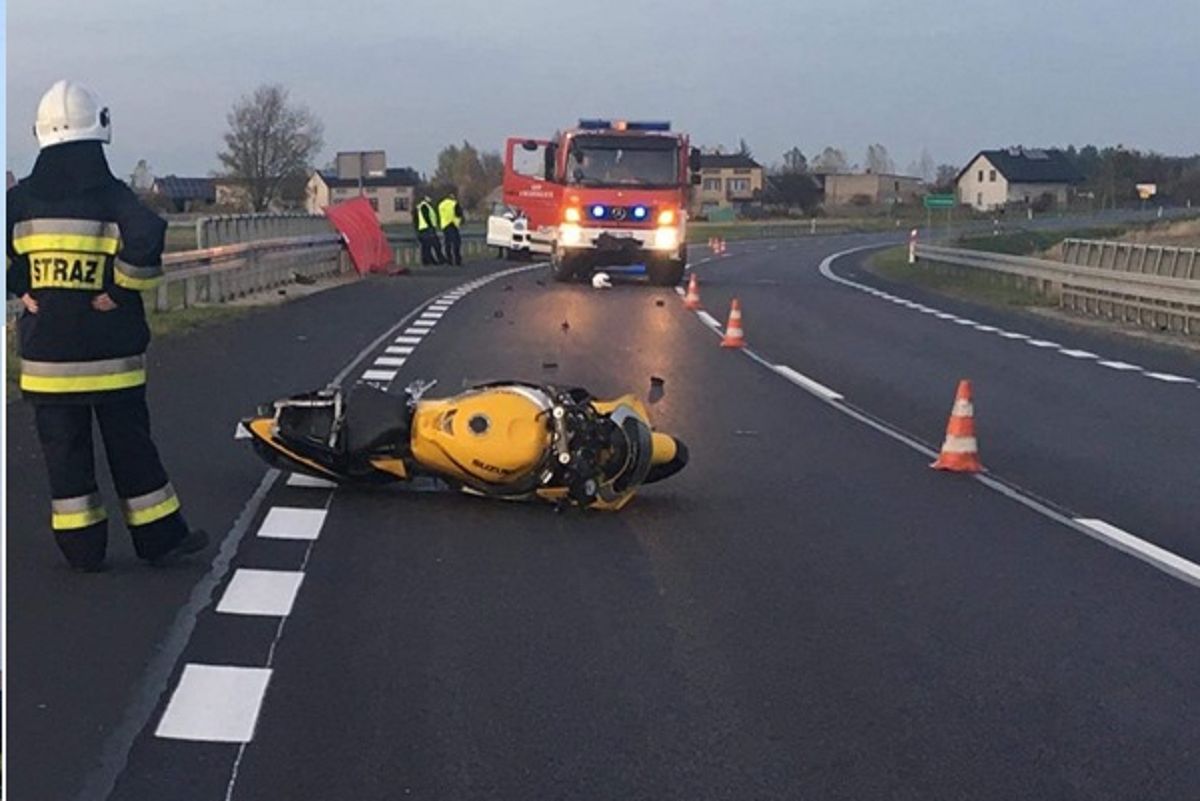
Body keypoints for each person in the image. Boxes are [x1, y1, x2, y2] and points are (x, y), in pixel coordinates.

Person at [6, 80, 208, 572]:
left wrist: (18, 285)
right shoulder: (109, 194)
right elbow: (147, 234)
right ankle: (160, 539)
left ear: (41, 133)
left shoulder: (23, 199)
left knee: (64, 456)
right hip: (111, 361)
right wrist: (118, 291)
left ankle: (82, 551)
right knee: (132, 450)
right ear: (99, 129)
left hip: (47, 363)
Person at [414, 194, 444, 265]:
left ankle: (427, 261)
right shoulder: (424, 206)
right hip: (427, 229)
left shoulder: (420, 207)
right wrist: (431, 226)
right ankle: (435, 260)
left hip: (423, 229)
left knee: (426, 246)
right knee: (434, 245)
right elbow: (426, 217)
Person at [438, 190, 465, 266]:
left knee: (447, 243)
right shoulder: (454, 204)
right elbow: (459, 214)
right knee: (456, 243)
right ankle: (457, 260)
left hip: (445, 226)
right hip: (453, 225)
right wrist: (461, 220)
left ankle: (449, 260)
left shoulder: (441, 204)